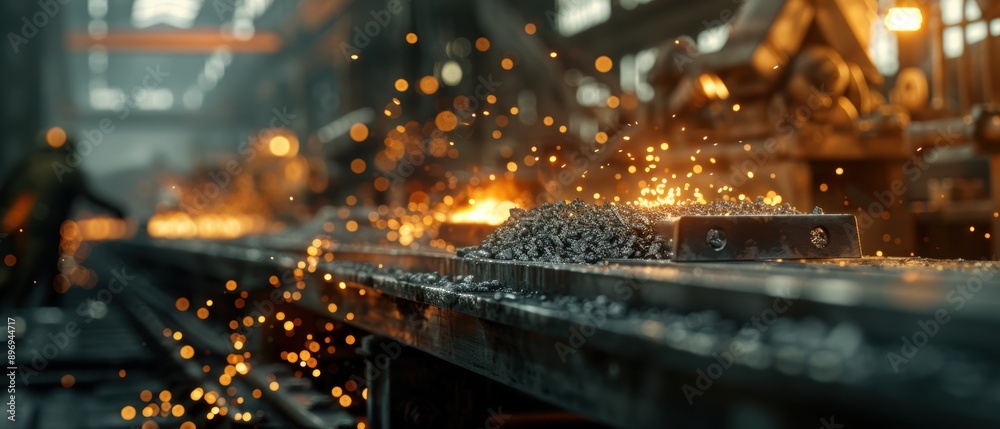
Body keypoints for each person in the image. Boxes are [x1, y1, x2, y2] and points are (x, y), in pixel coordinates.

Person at [0, 128, 126, 307]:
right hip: (45, 229)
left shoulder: (29, 165)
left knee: (20, 267)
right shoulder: (69, 170)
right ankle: (24, 313)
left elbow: (6, 191)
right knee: (35, 270)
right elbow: (90, 197)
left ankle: (18, 312)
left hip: (20, 227)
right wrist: (117, 211)